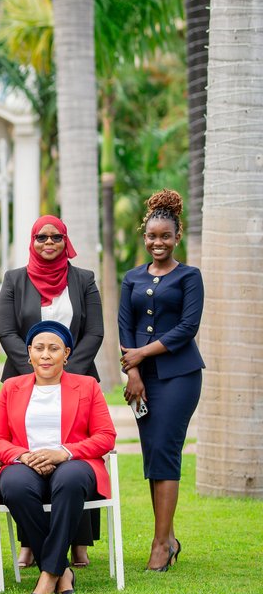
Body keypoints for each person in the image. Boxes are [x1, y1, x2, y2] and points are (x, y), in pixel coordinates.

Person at [0, 214, 103, 568]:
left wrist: (64, 371)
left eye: (55, 237)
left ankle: (79, 543)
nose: (48, 243)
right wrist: (38, 369)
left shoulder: (83, 279)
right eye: (41, 237)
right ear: (32, 241)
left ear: (65, 241)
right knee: (28, 456)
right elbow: (7, 331)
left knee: (74, 450)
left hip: (77, 375)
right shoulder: (14, 279)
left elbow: (95, 332)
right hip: (27, 376)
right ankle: (32, 541)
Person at [0, 321, 116, 594]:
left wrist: (64, 453)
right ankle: (61, 570)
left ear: (66, 354)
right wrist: (23, 455)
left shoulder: (87, 385)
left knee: (69, 479)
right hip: (25, 463)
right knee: (14, 486)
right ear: (29, 353)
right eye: (40, 348)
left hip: (73, 463)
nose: (46, 355)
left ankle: (48, 575)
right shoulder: (12, 387)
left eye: (54, 349)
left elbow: (106, 435)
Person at [119, 190, 203, 572]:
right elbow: (126, 325)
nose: (157, 242)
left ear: (177, 236)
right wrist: (133, 371)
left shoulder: (189, 277)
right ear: (145, 235)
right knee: (152, 457)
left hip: (179, 376)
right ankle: (168, 537)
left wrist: (141, 354)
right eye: (152, 236)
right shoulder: (132, 277)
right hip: (142, 380)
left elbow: (187, 327)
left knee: (166, 454)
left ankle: (159, 544)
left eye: (165, 236)